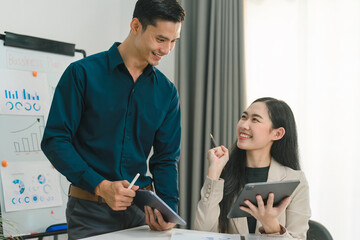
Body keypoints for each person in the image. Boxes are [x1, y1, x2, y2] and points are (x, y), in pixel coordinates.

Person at [41, 0, 185, 239]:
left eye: (173, 41)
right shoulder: (82, 74)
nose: (167, 49)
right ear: (136, 25)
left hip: (142, 214)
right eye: (160, 39)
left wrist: (167, 211)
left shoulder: (167, 92)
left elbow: (166, 159)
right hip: (89, 213)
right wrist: (101, 185)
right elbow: (55, 141)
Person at [194, 97, 311, 239]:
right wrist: (213, 173)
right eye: (244, 117)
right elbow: (202, 234)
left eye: (255, 120)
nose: (244, 125)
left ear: (277, 133)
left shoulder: (296, 180)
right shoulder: (225, 174)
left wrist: (271, 226)